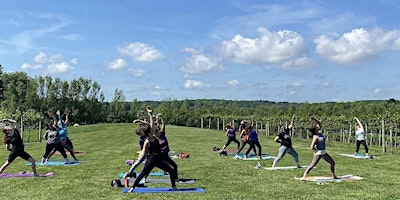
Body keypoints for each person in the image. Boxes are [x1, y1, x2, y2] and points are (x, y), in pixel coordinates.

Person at [127, 107, 178, 192]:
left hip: (159, 159)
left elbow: (151, 123)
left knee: (171, 170)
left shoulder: (153, 135)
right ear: (148, 132)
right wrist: (141, 157)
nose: (153, 129)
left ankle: (174, 186)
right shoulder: (147, 141)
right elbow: (144, 152)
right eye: (151, 130)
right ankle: (132, 188)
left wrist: (150, 114)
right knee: (143, 173)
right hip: (151, 160)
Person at [154, 113, 178, 181]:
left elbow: (163, 124)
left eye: (159, 130)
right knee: (149, 167)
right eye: (157, 131)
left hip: (165, 155)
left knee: (174, 166)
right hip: (159, 156)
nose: (159, 131)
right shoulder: (154, 138)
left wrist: (161, 117)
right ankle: (144, 178)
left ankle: (175, 178)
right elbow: (155, 125)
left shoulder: (162, 134)